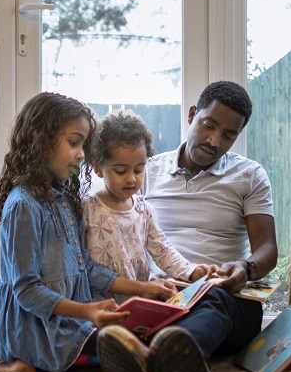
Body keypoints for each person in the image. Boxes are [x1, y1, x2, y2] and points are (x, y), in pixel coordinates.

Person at [97, 80, 278, 372]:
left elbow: (267, 249)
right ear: (193, 115)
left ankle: (162, 357)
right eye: (209, 125)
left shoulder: (250, 176)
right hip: (164, 295)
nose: (214, 141)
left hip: (227, 300)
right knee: (130, 309)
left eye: (228, 135)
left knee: (214, 300)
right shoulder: (146, 171)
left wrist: (245, 267)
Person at [0, 92, 176, 372]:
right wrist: (86, 311)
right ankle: (32, 365)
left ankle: (63, 366)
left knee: (138, 348)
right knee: (126, 357)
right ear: (39, 139)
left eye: (83, 144)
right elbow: (26, 290)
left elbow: (87, 268)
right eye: (73, 142)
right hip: (32, 326)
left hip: (67, 321)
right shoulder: (22, 206)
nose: (81, 154)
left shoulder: (64, 199)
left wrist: (143, 289)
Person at [82, 109, 216, 304]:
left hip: (139, 305)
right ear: (98, 168)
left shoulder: (144, 210)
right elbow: (82, 267)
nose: (131, 178)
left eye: (139, 169)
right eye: (120, 171)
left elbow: (162, 249)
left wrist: (191, 271)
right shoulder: (87, 209)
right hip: (98, 309)